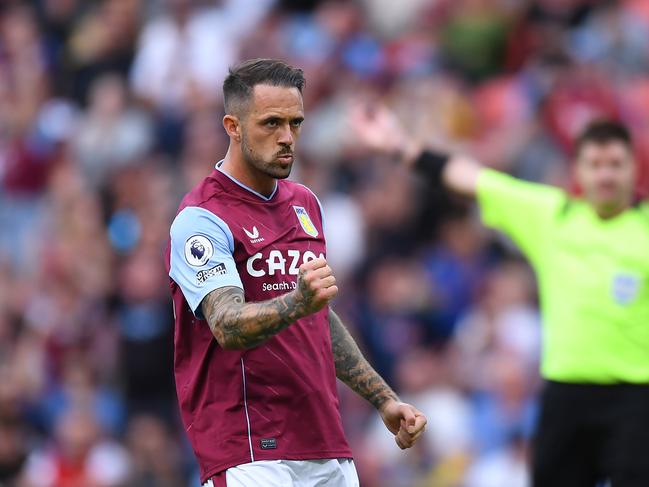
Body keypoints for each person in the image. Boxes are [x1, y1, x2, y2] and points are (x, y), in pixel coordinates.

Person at [353, 107, 649, 487]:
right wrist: (398, 145)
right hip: (566, 393)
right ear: (578, 171)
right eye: (595, 164)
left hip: (637, 397)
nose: (606, 174)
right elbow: (469, 178)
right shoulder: (553, 216)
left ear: (633, 167)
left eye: (615, 164)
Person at [165, 59, 427, 487]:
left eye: (295, 123)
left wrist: (383, 399)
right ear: (232, 125)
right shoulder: (202, 218)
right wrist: (297, 301)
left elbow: (317, 314)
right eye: (271, 123)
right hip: (249, 448)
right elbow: (227, 325)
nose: (287, 138)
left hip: (325, 444)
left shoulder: (305, 203)